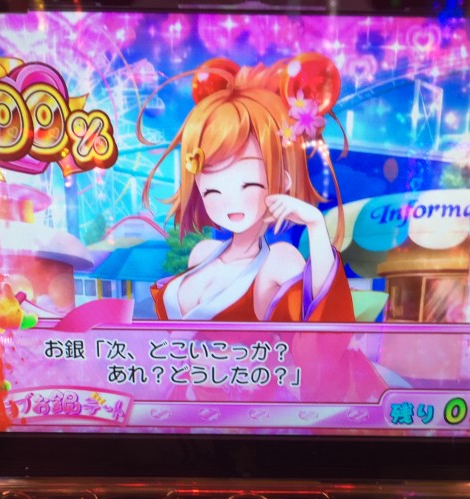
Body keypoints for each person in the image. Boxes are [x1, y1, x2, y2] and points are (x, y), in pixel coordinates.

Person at [138, 54, 355, 323]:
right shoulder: (202, 253)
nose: (229, 199)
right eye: (212, 187)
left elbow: (325, 326)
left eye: (247, 183)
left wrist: (316, 225)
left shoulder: (279, 261)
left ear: (283, 180)